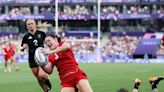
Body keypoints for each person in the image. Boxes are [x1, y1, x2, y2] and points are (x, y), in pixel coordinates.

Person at [21, 19, 51, 92]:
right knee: (38, 78)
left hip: (41, 57)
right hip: (32, 59)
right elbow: (23, 46)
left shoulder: (41, 34)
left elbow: (48, 44)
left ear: (35, 25)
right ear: (27, 26)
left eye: (32, 23)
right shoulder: (26, 37)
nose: (30, 25)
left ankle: (48, 82)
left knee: (41, 75)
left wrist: (48, 49)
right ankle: (46, 90)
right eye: (28, 24)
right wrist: (23, 48)